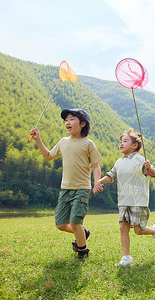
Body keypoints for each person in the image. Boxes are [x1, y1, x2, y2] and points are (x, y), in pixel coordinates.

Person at [30, 108, 103, 259]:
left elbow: (96, 165)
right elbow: (49, 156)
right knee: (61, 224)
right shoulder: (63, 142)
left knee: (75, 222)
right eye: (65, 120)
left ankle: (82, 251)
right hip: (65, 189)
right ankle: (84, 233)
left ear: (82, 123)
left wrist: (97, 182)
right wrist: (38, 139)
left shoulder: (88, 144)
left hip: (82, 189)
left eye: (71, 119)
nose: (67, 122)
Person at [95, 128, 155, 267]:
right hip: (123, 201)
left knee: (139, 230)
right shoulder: (118, 162)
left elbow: (153, 173)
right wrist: (99, 181)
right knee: (123, 228)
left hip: (138, 201)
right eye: (120, 141)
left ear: (135, 145)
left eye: (125, 141)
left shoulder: (141, 160)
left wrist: (149, 167)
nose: (121, 144)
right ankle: (126, 258)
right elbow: (111, 176)